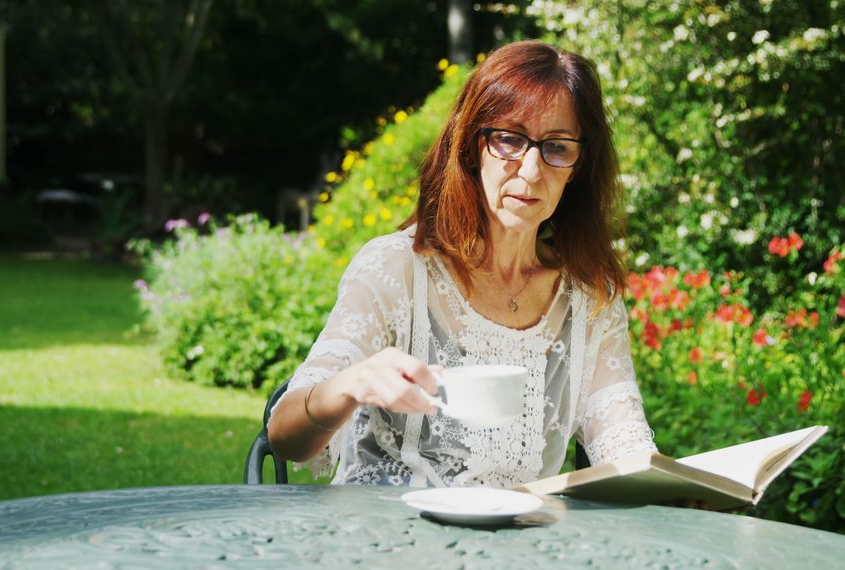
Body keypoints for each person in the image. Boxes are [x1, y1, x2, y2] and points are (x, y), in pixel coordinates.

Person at [267, 40, 658, 488]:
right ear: (471, 146)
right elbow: (285, 438)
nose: (531, 171)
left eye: (556, 146)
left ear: (578, 165)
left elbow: (625, 447)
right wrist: (349, 385)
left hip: (520, 548)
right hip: (387, 547)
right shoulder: (397, 268)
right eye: (509, 139)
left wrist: (681, 488)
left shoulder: (589, 299)